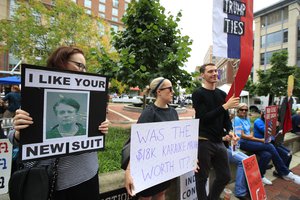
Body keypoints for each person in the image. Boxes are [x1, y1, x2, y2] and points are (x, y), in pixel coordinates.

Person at [8, 46, 109, 200]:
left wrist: (101, 128)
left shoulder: (92, 95)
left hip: (87, 177)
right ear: (61, 62)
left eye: (85, 67)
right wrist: (18, 133)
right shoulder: (38, 93)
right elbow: (13, 137)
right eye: (79, 65)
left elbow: (95, 136)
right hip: (50, 184)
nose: (83, 70)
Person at [124, 77, 179, 200]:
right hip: (148, 168)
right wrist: (128, 170)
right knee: (146, 197)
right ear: (159, 92)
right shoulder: (149, 113)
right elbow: (136, 142)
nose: (173, 92)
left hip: (165, 166)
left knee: (161, 193)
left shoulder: (173, 112)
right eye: (170, 89)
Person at [192, 63, 240, 200]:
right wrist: (225, 106)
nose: (214, 73)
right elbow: (203, 118)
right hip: (203, 141)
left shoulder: (222, 94)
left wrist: (230, 132)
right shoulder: (198, 94)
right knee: (201, 178)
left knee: (225, 176)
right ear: (202, 75)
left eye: (216, 71)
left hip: (219, 142)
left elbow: (225, 119)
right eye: (210, 71)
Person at [235, 103, 300, 185]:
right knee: (269, 146)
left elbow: (251, 132)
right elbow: (242, 136)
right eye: (242, 109)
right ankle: (285, 172)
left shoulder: (246, 118)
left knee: (267, 155)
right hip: (242, 142)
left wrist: (253, 137)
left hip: (251, 141)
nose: (244, 111)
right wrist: (260, 140)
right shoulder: (237, 119)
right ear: (238, 110)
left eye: (246, 110)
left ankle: (260, 176)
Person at [254, 110, 293, 178]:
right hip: (263, 142)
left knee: (289, 153)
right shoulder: (258, 121)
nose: (267, 117)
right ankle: (279, 172)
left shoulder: (268, 121)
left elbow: (273, 134)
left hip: (272, 141)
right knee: (285, 154)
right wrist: (274, 125)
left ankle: (284, 170)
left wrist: (277, 128)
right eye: (265, 115)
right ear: (262, 114)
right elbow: (266, 131)